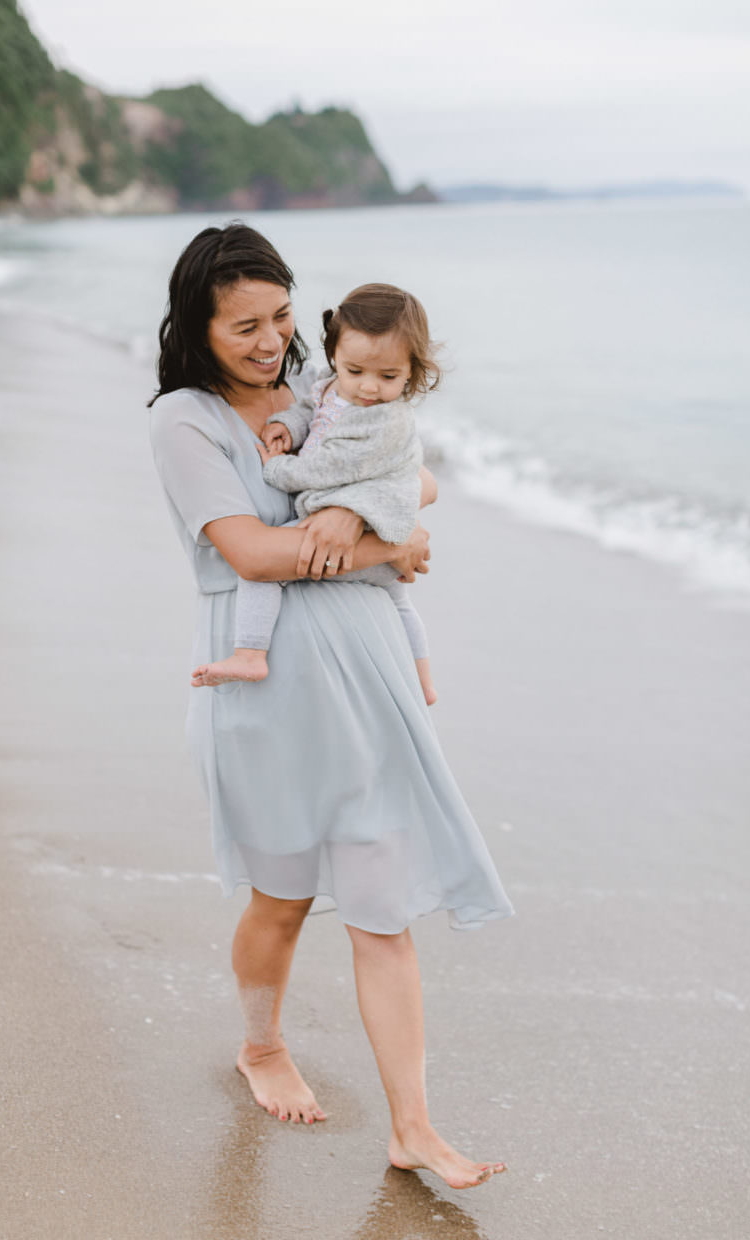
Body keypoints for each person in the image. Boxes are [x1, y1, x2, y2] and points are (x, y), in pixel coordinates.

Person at [148, 221, 514, 1190]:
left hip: (365, 672)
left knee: (379, 906)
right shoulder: (185, 420)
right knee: (281, 898)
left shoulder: (328, 393)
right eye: (243, 328)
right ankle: (260, 1043)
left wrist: (364, 512)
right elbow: (257, 553)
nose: (269, 342)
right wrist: (387, 543)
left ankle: (412, 1126)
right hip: (261, 681)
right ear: (195, 326)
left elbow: (417, 470)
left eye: (278, 317)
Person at [190, 282, 437, 705]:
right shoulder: (328, 385)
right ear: (334, 358)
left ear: (412, 370)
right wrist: (288, 426)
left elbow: (326, 470)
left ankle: (250, 653)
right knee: (397, 599)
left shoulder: (384, 421)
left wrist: (276, 467)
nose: (369, 388)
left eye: (388, 376)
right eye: (355, 371)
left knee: (263, 575)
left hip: (365, 531)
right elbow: (310, 411)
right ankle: (424, 686)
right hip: (373, 530)